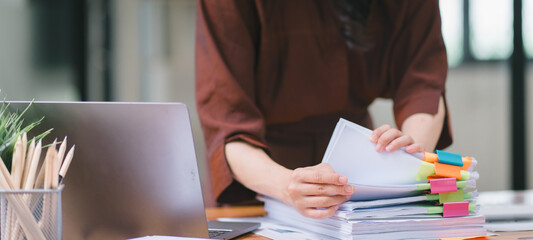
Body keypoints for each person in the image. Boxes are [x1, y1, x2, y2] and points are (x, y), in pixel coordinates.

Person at [195, 0, 451, 219]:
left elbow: (423, 83)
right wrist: (284, 185)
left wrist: (407, 156)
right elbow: (227, 119)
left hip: (358, 171)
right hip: (259, 177)